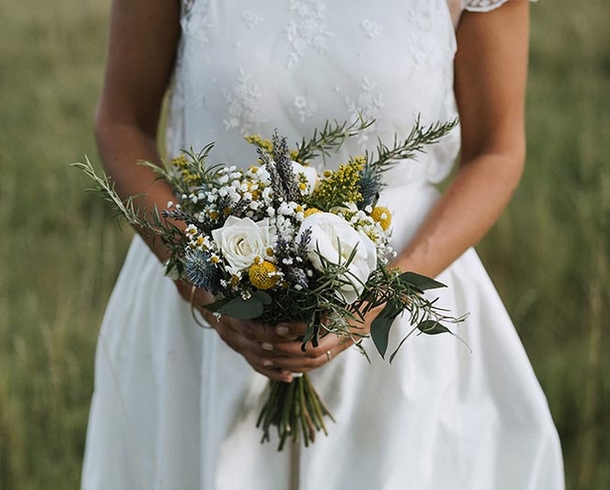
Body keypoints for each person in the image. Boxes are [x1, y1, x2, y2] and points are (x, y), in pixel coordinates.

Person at [81, 0, 565, 488]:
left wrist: (385, 296)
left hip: (399, 330)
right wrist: (199, 278)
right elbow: (123, 122)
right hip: (202, 315)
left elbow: (496, 150)